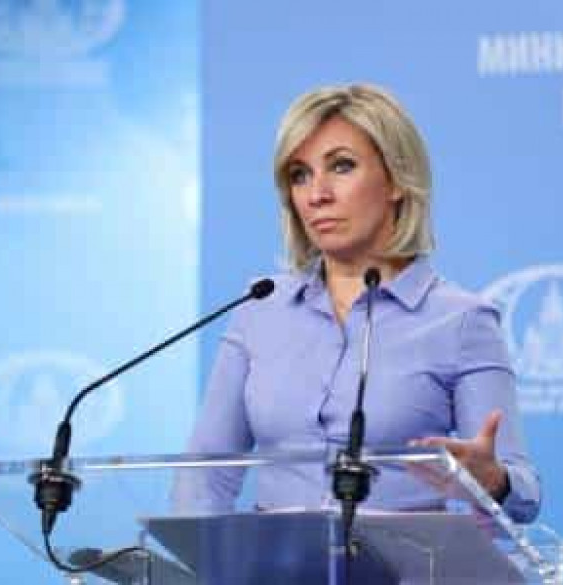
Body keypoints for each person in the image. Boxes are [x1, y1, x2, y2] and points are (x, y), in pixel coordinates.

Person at [177, 83, 541, 524]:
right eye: (300, 175)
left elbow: (524, 493)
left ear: (397, 180)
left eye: (342, 166)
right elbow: (205, 474)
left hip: (406, 559)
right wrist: (204, 555)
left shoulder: (462, 320)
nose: (317, 194)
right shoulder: (260, 308)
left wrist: (494, 481)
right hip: (275, 560)